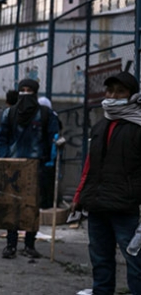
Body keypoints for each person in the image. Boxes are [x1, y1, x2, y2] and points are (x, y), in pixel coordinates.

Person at [72, 71, 141, 294]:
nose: (113, 96)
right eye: (110, 91)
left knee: (136, 263)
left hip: (127, 208)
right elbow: (90, 165)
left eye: (120, 92)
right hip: (98, 205)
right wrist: (79, 196)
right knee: (100, 262)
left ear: (132, 95)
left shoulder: (137, 126)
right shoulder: (101, 125)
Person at [0, 79, 59, 259]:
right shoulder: (9, 114)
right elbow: (2, 138)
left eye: (29, 90)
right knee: (12, 206)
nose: (25, 93)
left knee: (32, 206)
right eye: (22, 90)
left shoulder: (45, 114)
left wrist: (50, 161)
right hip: (13, 166)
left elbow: (53, 137)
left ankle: (30, 245)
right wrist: (4, 158)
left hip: (36, 166)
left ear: (35, 92)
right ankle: (11, 245)